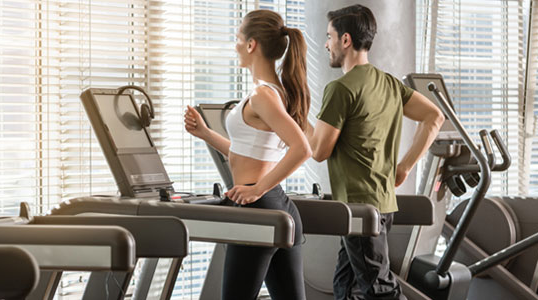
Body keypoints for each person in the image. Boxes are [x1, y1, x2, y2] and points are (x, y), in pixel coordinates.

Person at [304, 4, 444, 300]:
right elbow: (435, 117)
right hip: (381, 205)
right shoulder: (390, 84)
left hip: (359, 207)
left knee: (379, 290)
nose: (325, 44)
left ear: (345, 40)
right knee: (345, 285)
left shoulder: (341, 89)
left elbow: (318, 150)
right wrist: (404, 166)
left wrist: (296, 119)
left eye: (329, 36)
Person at [184, 9, 311, 300]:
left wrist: (256, 190)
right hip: (277, 205)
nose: (236, 44)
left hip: (259, 211)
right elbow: (248, 155)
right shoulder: (276, 92)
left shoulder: (263, 96)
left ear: (252, 44)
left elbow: (302, 148)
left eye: (238, 38)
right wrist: (206, 134)